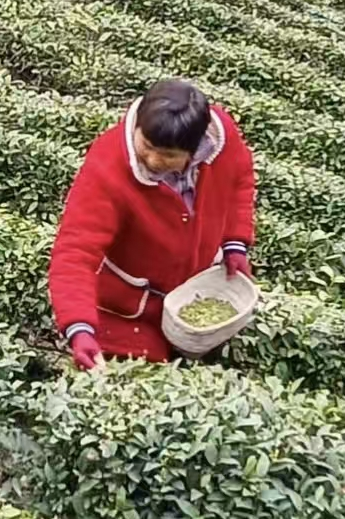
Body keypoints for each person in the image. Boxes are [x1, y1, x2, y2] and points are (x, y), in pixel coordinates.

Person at [48, 79, 257, 368]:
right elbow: (76, 252)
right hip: (128, 306)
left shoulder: (220, 141)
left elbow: (240, 180)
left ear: (195, 149)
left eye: (169, 155)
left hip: (193, 288)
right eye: (147, 146)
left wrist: (235, 242)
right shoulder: (106, 168)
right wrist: (78, 326)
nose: (154, 160)